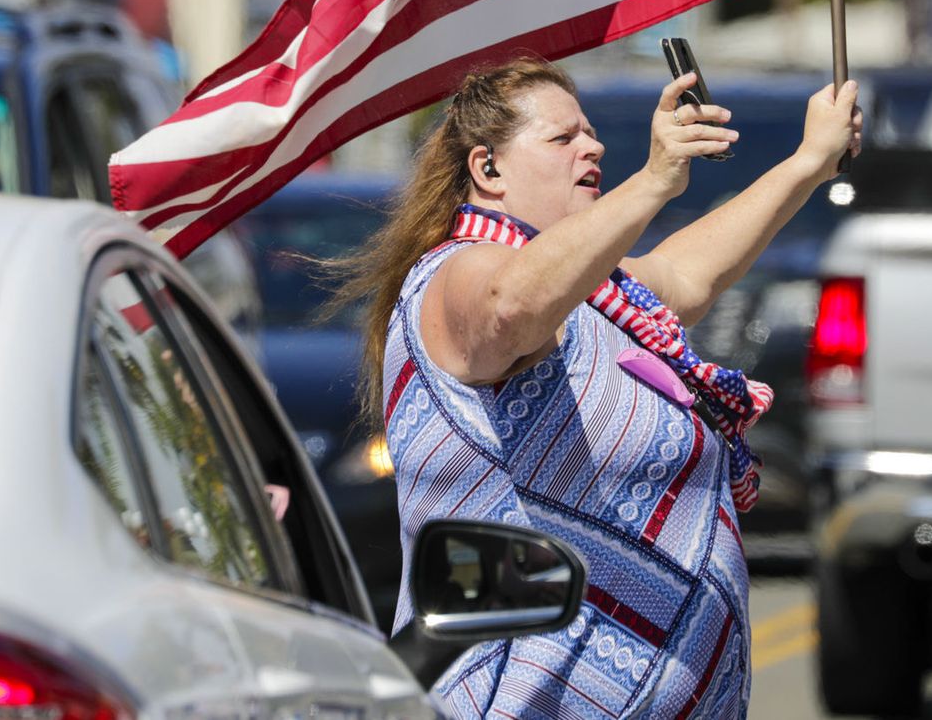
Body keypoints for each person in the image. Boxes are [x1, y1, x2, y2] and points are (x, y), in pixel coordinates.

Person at [325, 56, 861, 718]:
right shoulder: (456, 273)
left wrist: (811, 159)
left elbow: (684, 275)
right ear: (487, 169)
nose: (594, 145)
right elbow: (511, 305)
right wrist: (653, 181)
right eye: (563, 137)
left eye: (590, 132)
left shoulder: (596, 294)